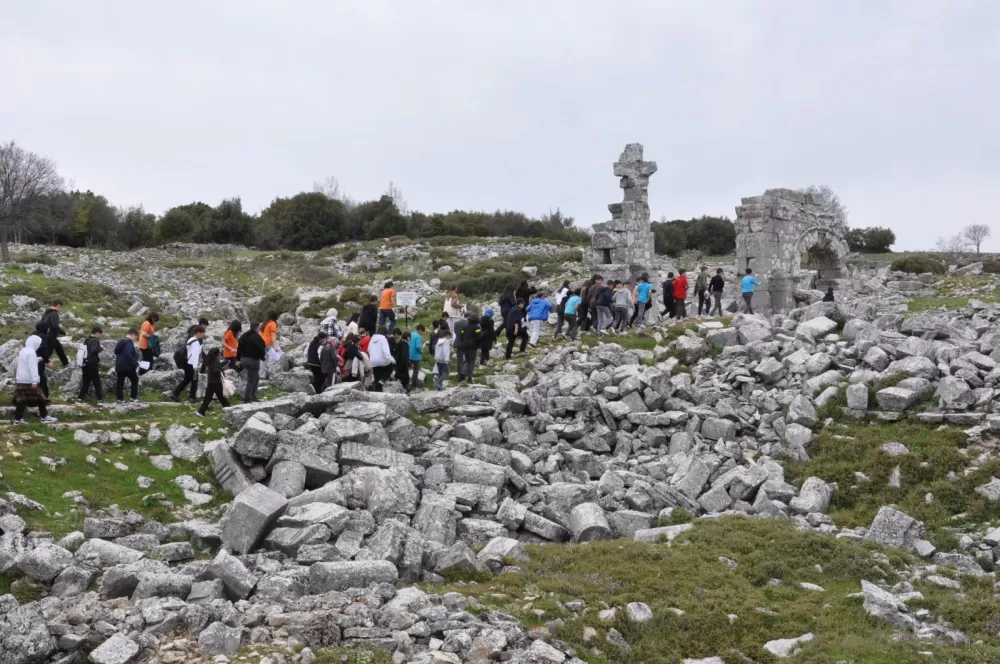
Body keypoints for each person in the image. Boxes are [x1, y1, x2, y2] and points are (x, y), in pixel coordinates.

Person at [12, 335, 56, 425]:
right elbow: (32, 367)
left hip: (21, 380)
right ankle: (44, 418)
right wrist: (35, 381)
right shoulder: (32, 352)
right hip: (29, 381)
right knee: (41, 399)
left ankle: (17, 420)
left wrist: (38, 359)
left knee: (22, 401)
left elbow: (26, 362)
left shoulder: (23, 351)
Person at [170, 326, 205, 402]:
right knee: (194, 380)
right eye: (202, 333)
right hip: (192, 364)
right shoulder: (195, 342)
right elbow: (195, 355)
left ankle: (175, 393)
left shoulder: (191, 339)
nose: (203, 335)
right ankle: (192, 397)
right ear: (198, 333)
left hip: (187, 363)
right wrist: (195, 366)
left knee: (187, 379)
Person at [196, 348, 230, 417]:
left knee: (207, 398)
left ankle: (201, 411)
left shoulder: (210, 360)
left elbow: (217, 365)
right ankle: (230, 411)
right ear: (217, 353)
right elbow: (216, 370)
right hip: (216, 382)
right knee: (221, 397)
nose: (220, 354)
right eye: (219, 352)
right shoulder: (216, 360)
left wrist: (226, 362)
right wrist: (222, 373)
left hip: (210, 381)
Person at [237, 321, 266, 403]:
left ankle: (253, 396)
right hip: (253, 361)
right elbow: (261, 348)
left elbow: (239, 348)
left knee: (256, 378)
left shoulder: (244, 336)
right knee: (251, 379)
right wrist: (262, 357)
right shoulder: (257, 337)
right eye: (259, 328)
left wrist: (237, 359)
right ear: (257, 328)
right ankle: (247, 398)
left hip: (243, 359)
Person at [114, 328, 140, 404]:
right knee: (134, 379)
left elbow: (116, 351)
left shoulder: (121, 341)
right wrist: (134, 361)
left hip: (119, 365)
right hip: (127, 366)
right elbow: (127, 353)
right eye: (136, 337)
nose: (135, 339)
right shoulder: (128, 342)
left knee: (120, 382)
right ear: (133, 335)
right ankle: (133, 397)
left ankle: (119, 399)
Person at [78, 325, 104, 403]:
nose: (100, 335)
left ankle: (80, 398)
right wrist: (101, 348)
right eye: (100, 333)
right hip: (92, 364)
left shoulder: (87, 340)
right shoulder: (95, 340)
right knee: (97, 382)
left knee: (86, 382)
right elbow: (93, 350)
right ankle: (100, 399)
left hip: (85, 364)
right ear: (97, 333)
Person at [454, 311, 481, 384]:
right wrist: (478, 345)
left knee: (466, 360)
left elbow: (461, 335)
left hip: (464, 345)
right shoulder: (477, 328)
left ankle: (461, 376)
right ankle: (469, 378)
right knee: (471, 362)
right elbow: (478, 338)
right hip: (473, 347)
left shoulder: (464, 327)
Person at [41, 299, 69, 367]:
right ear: (58, 305)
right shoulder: (54, 314)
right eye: (61, 307)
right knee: (48, 353)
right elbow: (54, 326)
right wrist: (63, 332)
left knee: (59, 348)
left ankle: (66, 363)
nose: (61, 309)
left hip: (45, 335)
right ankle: (40, 365)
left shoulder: (46, 312)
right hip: (51, 336)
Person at [368, 326, 394, 391]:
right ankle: (384, 379)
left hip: (373, 361)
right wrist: (391, 359)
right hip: (382, 361)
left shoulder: (372, 339)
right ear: (385, 333)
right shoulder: (383, 339)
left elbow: (368, 349)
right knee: (391, 370)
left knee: (377, 377)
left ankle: (377, 391)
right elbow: (386, 351)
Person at [409, 324, 425, 390]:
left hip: (409, 355)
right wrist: (421, 351)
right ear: (420, 330)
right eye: (422, 331)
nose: (422, 333)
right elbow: (418, 346)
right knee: (415, 371)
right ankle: (414, 385)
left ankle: (407, 384)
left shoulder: (410, 334)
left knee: (407, 369)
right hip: (416, 356)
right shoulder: (418, 336)